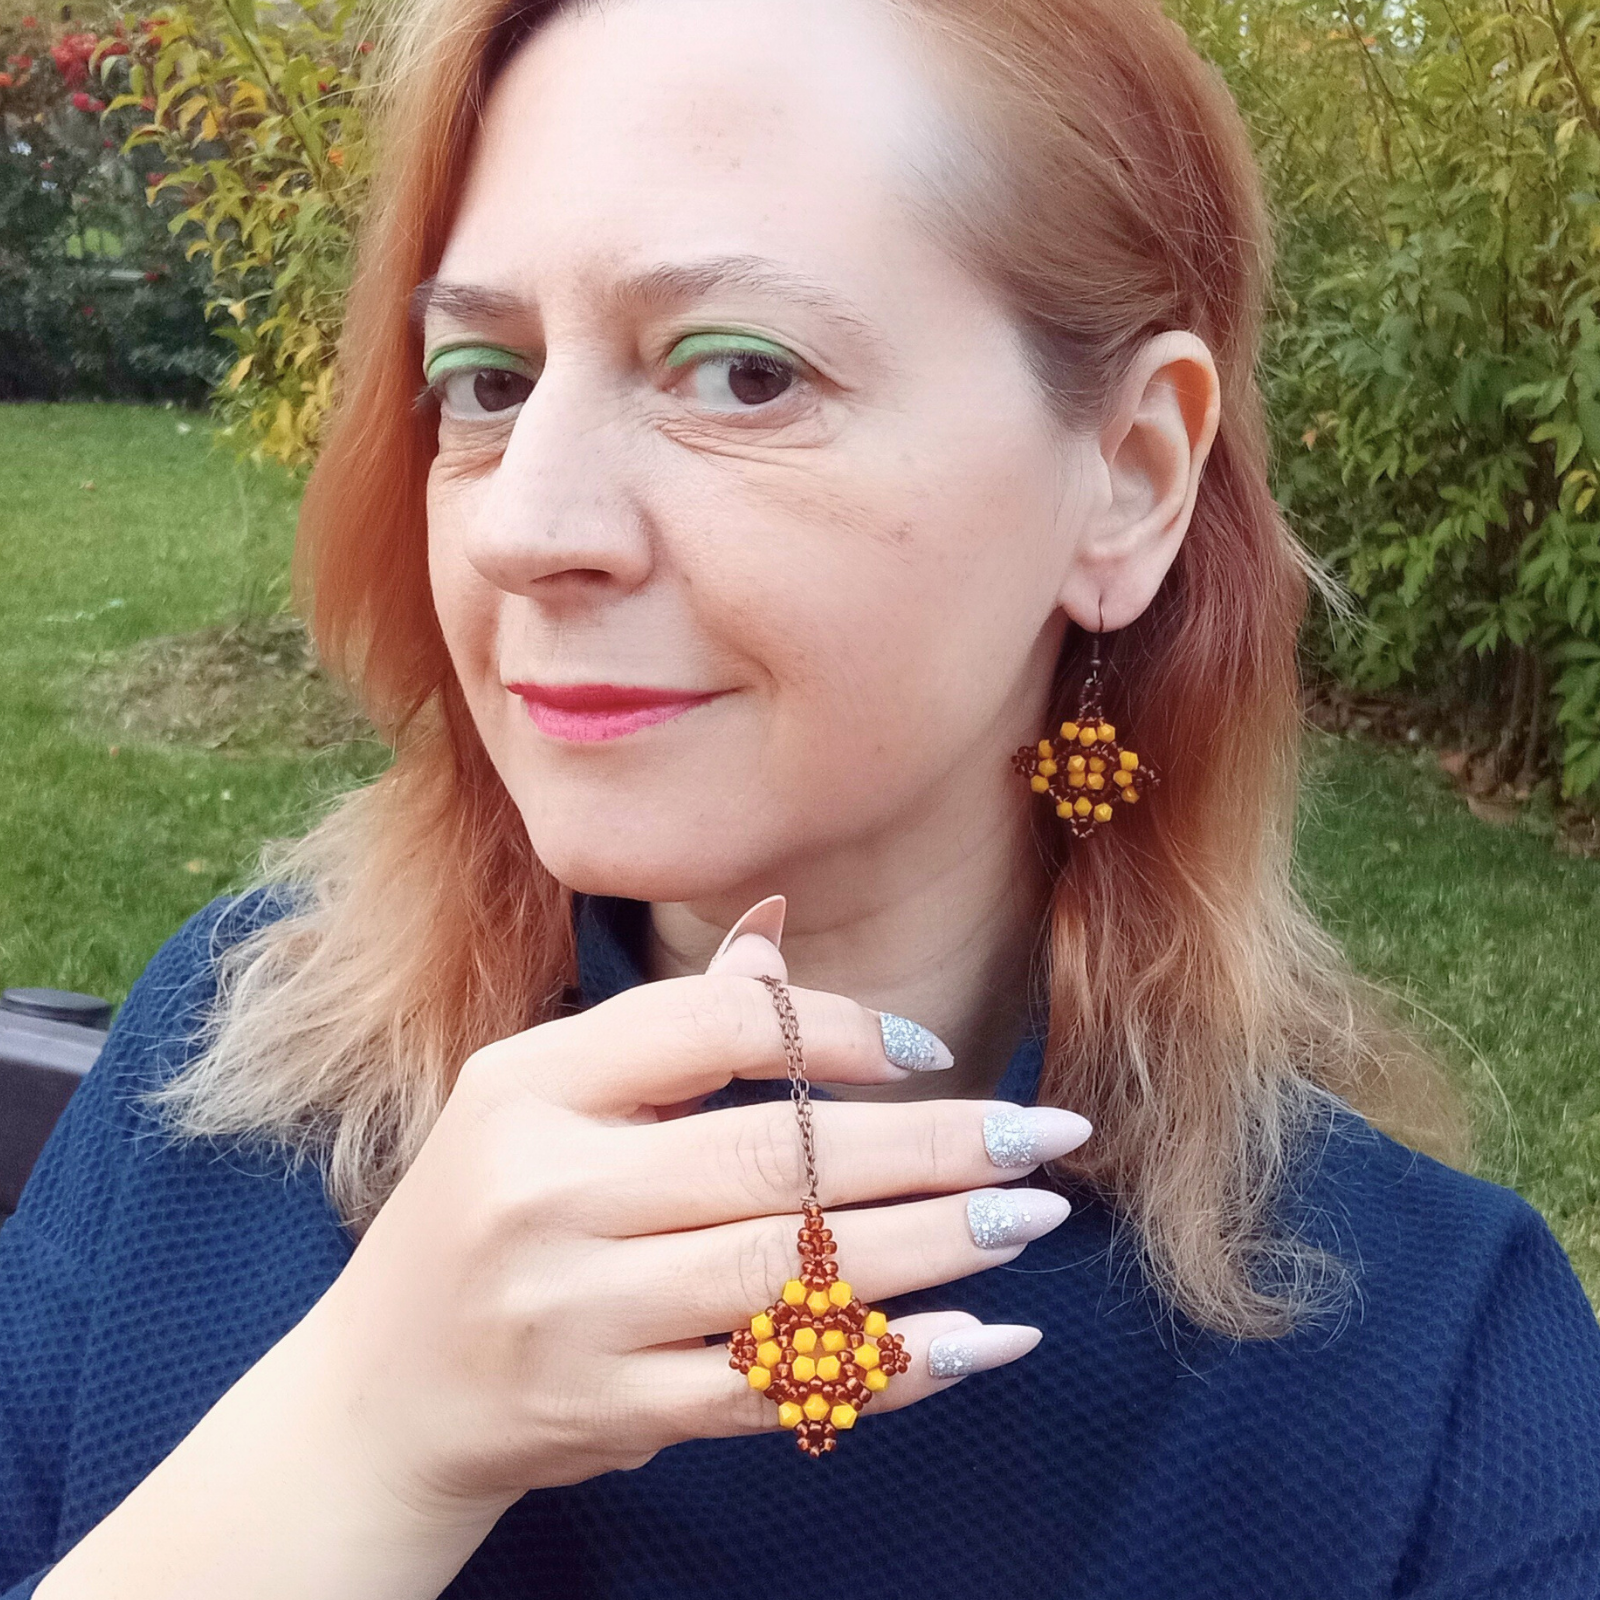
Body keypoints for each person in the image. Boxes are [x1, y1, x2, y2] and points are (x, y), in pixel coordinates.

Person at [4, 0, 1599, 1593]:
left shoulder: (1437, 1398)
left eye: (743, 371)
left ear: (1127, 477)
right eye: (486, 381)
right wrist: (363, 1433)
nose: (523, 527)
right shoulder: (222, 1073)